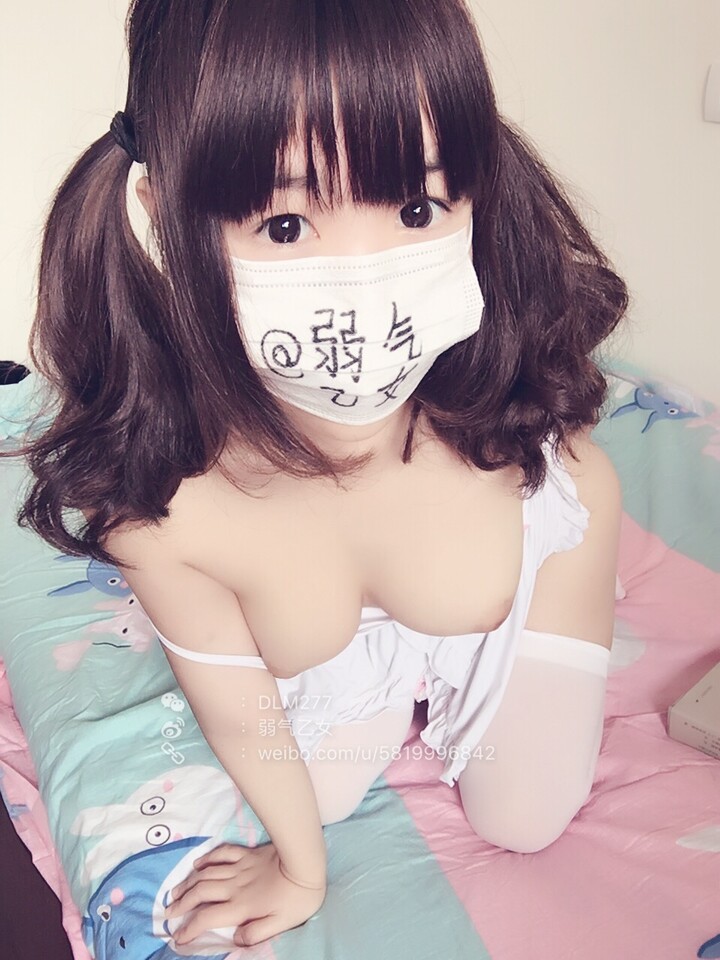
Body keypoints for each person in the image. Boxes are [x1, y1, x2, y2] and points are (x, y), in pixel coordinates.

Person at [1, 0, 628, 949]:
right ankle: (380, 656)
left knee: (525, 817)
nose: (362, 273)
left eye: (415, 209)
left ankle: (450, 645)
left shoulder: (512, 458)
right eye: (286, 223)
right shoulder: (169, 510)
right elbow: (240, 717)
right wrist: (300, 868)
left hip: (530, 573)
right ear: (164, 214)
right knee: (318, 797)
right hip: (326, 628)